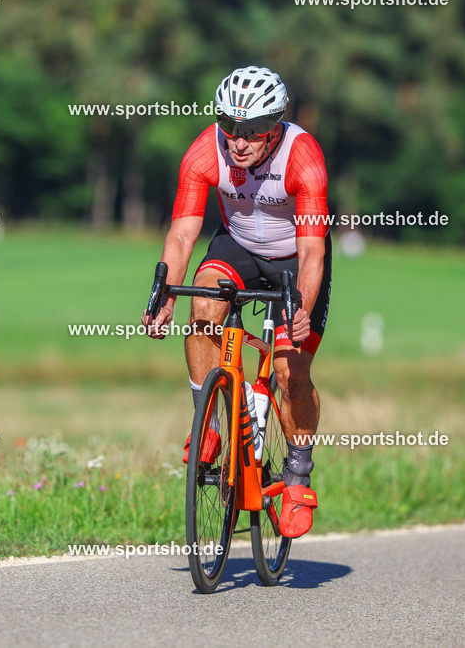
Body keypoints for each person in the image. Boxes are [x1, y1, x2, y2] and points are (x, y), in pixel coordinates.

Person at [141, 66, 331, 538]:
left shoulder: (302, 156)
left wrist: (300, 310)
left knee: (290, 372)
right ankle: (208, 422)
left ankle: (297, 474)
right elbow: (183, 236)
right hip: (238, 246)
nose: (238, 142)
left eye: (251, 132)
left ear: (276, 126)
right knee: (202, 305)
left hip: (294, 259)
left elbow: (312, 251)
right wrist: (164, 293)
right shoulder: (206, 150)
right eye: (229, 126)